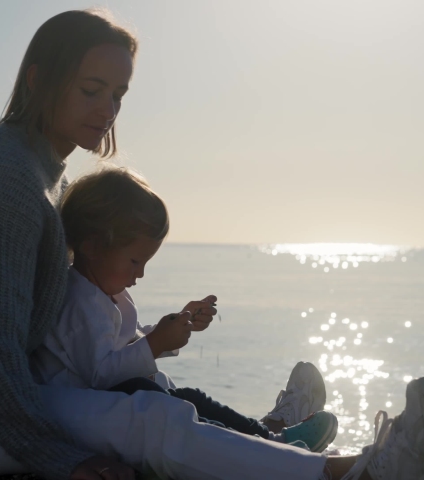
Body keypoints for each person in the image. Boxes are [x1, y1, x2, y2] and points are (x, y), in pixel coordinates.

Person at [0, 8, 424, 480]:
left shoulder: (36, 169)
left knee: (157, 395)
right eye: (90, 89)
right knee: (148, 419)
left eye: (118, 94)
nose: (107, 109)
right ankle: (350, 473)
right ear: (38, 80)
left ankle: (280, 440)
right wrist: (64, 460)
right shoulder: (2, 183)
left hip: (3, 399)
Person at [27, 166, 339, 452]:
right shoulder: (78, 303)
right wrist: (156, 342)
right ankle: (264, 447)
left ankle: (269, 438)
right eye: (135, 261)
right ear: (92, 247)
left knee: (191, 397)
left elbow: (122, 348)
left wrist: (174, 325)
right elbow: (99, 375)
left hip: (122, 406)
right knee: (176, 406)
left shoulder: (105, 291)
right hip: (93, 417)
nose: (141, 274)